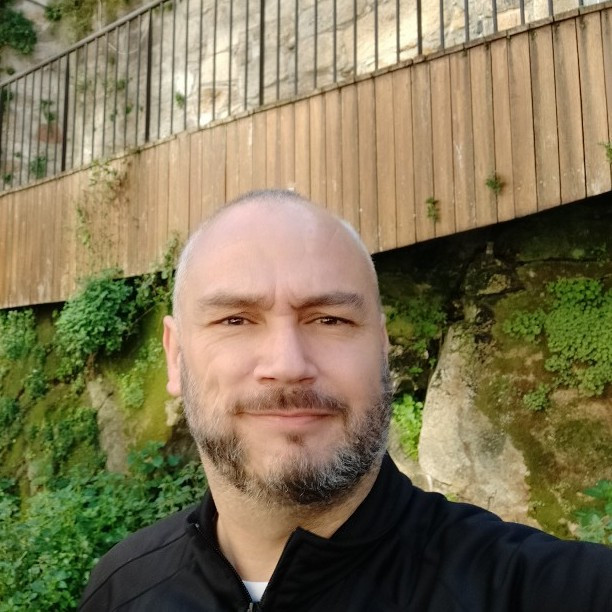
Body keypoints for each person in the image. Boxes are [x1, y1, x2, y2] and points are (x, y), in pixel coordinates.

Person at [80, 189, 612, 611]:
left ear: (382, 348)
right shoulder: (120, 589)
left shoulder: (546, 589)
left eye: (330, 319)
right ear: (175, 357)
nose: (288, 363)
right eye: (235, 320)